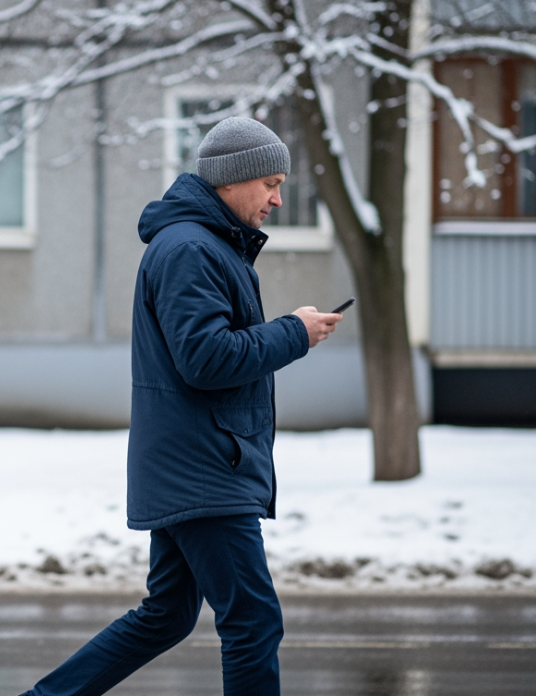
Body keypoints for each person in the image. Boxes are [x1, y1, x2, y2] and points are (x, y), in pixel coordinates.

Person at [18, 117, 343, 696]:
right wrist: (293, 332)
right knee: (253, 620)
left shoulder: (205, 245)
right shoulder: (191, 249)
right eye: (269, 182)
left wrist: (292, 332)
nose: (277, 197)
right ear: (230, 180)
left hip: (196, 460)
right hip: (204, 468)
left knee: (167, 615)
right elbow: (206, 359)